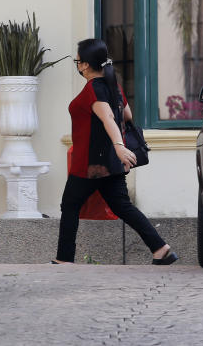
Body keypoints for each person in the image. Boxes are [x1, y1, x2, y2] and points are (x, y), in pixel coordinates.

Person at [54, 38, 178, 265]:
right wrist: (117, 150)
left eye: (78, 61)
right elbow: (127, 116)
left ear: (84, 65)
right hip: (109, 162)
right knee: (122, 206)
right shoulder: (113, 86)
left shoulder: (94, 88)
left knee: (70, 205)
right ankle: (160, 248)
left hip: (90, 163)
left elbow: (109, 118)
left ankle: (64, 260)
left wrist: (120, 147)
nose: (77, 65)